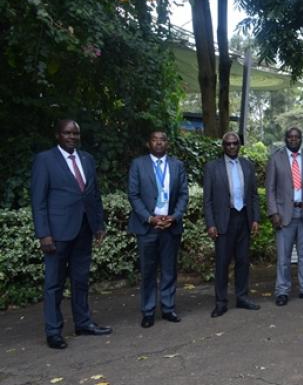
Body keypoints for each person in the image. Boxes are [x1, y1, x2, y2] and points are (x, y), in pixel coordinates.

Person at [31, 119, 111, 349]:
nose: (72, 137)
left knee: (81, 280)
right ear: (58, 135)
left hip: (84, 230)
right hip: (57, 233)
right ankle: (54, 331)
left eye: (75, 133)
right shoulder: (45, 160)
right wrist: (43, 233)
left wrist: (98, 225)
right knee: (54, 284)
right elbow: (39, 201)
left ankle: (83, 323)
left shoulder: (87, 159)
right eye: (67, 133)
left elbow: (93, 194)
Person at [127, 131, 189, 328]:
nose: (159, 142)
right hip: (148, 227)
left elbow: (183, 195)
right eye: (155, 139)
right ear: (149, 143)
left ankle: (168, 308)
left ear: (167, 143)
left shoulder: (177, 165)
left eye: (162, 139)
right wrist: (150, 218)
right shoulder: (138, 164)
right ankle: (148, 311)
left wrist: (174, 216)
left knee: (169, 270)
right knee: (148, 271)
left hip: (171, 226)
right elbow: (133, 195)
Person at [203, 131, 261, 317]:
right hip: (222, 222)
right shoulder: (212, 167)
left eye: (234, 143)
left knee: (243, 261)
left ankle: (242, 297)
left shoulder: (248, 165)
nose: (231, 147)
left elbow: (253, 195)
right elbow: (208, 199)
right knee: (222, 263)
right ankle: (221, 302)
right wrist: (210, 224)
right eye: (227, 144)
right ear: (223, 146)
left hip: (243, 218)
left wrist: (255, 219)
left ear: (239, 144)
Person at [266, 127, 303, 306]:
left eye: (296, 137)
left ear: (301, 139)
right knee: (283, 257)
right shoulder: (276, 159)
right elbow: (270, 189)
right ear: (285, 139)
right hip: (284, 216)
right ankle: (282, 291)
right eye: (290, 137)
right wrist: (273, 212)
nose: (293, 139)